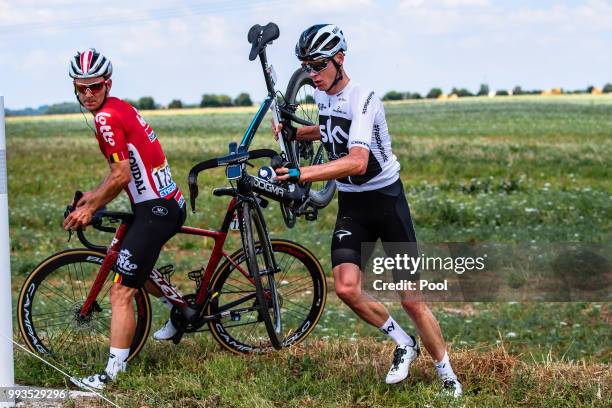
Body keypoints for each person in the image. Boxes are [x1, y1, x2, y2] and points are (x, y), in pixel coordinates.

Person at [273, 25, 462, 397]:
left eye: (318, 65)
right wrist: (297, 134)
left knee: (411, 299)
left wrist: (302, 172)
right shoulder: (324, 94)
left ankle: (448, 376)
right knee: (345, 288)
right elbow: (327, 128)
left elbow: (358, 161)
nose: (312, 74)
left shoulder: (364, 98)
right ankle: (404, 344)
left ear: (340, 60)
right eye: (306, 66)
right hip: (353, 207)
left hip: (388, 203)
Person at [64, 48, 186, 389]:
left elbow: (120, 175)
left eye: (95, 87)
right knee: (129, 266)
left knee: (120, 292)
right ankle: (178, 309)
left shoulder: (105, 118)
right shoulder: (116, 107)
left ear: (107, 84)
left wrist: (89, 210)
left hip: (157, 208)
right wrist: (92, 196)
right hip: (159, 204)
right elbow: (123, 171)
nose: (88, 94)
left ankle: (111, 376)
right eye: (81, 88)